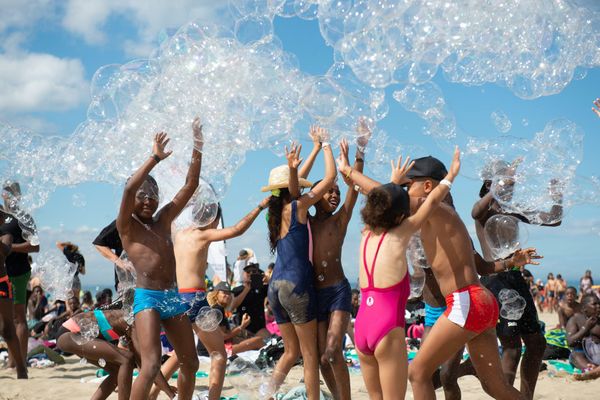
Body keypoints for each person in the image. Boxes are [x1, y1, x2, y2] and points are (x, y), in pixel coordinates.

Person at [342, 152, 532, 400]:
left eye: (409, 186)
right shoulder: (448, 218)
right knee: (495, 387)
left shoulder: (435, 208)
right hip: (481, 301)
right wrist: (510, 262)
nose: (405, 190)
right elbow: (482, 266)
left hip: (465, 302)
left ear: (428, 186)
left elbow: (385, 198)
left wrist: (348, 170)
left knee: (418, 373)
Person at [116, 120, 203, 400]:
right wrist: (154, 157)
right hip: (148, 299)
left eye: (153, 196)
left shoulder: (163, 220)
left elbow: (191, 185)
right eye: (143, 195)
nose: (148, 200)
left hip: (172, 297)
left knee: (191, 362)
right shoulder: (127, 226)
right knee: (152, 364)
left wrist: (197, 144)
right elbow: (129, 189)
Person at [160, 196, 269, 400]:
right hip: (195, 299)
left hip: (176, 298)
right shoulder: (203, 235)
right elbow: (238, 229)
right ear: (212, 219)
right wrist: (260, 206)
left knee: (180, 355)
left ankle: (150, 394)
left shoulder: (179, 234)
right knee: (219, 355)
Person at [295, 122, 369, 400]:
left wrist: (359, 150)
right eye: (329, 191)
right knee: (322, 359)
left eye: (336, 192)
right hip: (314, 293)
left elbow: (355, 187)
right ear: (314, 198)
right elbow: (294, 191)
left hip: (338, 291)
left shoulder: (340, 221)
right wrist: (318, 147)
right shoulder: (305, 222)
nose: (335, 195)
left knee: (332, 351)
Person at [472, 166, 558, 400]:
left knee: (537, 343)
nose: (510, 187)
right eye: (504, 183)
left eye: (511, 184)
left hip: (515, 278)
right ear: (490, 184)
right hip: (495, 280)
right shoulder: (485, 209)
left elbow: (554, 219)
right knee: (511, 347)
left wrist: (557, 195)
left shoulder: (513, 210)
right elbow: (475, 211)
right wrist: (498, 185)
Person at [263, 132, 337, 398]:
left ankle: (267, 395)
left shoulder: (276, 213)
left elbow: (296, 183)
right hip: (296, 285)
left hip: (275, 288)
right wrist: (326, 146)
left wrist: (314, 149)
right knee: (309, 356)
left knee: (290, 352)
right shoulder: (299, 207)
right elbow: (328, 179)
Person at [56, 306, 176, 400]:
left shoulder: (131, 325)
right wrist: (170, 393)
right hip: (68, 333)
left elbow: (143, 364)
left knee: (117, 372)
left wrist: (166, 388)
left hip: (72, 334)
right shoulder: (133, 322)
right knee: (126, 359)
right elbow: (148, 363)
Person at [0, 181, 39, 372]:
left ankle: (20, 362)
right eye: (6, 193)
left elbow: (35, 246)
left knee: (19, 318)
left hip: (18, 272)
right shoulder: (3, 217)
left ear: (19, 196)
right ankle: (13, 361)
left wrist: (9, 248)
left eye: (12, 193)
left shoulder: (25, 218)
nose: (8, 196)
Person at [0, 207, 27, 378]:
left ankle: (21, 369)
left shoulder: (5, 236)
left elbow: (4, 252)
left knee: (8, 330)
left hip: (1, 283)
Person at [566, 294, 600, 380]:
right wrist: (585, 328)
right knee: (575, 355)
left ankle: (594, 372)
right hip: (583, 356)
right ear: (584, 308)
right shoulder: (575, 319)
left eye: (599, 303)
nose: (598, 306)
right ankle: (592, 370)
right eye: (594, 304)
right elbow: (570, 342)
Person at [233, 263, 270, 337]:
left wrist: (268, 280)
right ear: (243, 274)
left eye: (254, 272)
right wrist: (247, 289)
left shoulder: (262, 288)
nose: (250, 274)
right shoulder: (237, 290)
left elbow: (275, 290)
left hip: (259, 328)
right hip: (243, 328)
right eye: (248, 272)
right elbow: (233, 305)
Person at [93, 220, 125, 292]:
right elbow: (99, 243)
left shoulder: (155, 220)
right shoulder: (125, 220)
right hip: (126, 281)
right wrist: (119, 261)